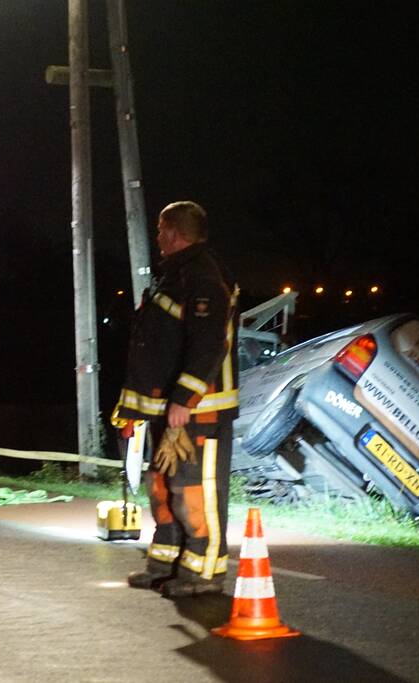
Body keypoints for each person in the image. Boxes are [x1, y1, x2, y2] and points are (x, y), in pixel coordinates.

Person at [111, 201, 240, 598]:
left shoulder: (202, 277)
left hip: (199, 411)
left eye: (160, 230)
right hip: (170, 411)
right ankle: (166, 562)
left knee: (195, 489)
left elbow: (207, 344)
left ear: (172, 231)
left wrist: (184, 399)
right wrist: (136, 408)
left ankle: (204, 571)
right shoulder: (178, 276)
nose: (157, 238)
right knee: (163, 486)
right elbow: (157, 347)